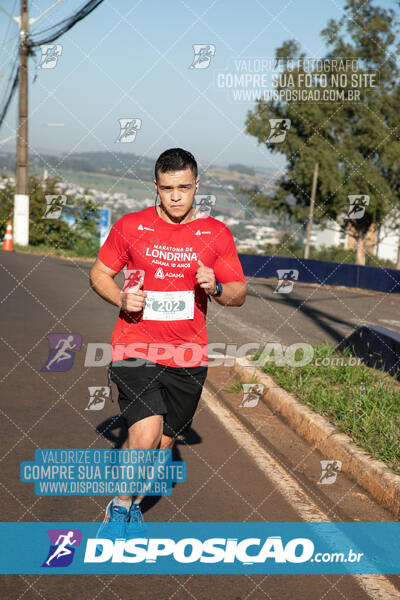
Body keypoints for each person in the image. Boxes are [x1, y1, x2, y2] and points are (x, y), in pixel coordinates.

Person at [89, 148, 247, 538]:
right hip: (134, 346)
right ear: (155, 187)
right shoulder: (130, 227)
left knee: (161, 445)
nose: (176, 196)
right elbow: (99, 274)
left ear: (197, 186)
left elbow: (240, 292)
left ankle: (136, 503)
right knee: (144, 435)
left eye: (183, 187)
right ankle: (119, 508)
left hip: (188, 355)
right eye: (167, 188)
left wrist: (217, 287)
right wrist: (122, 299)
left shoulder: (216, 234)